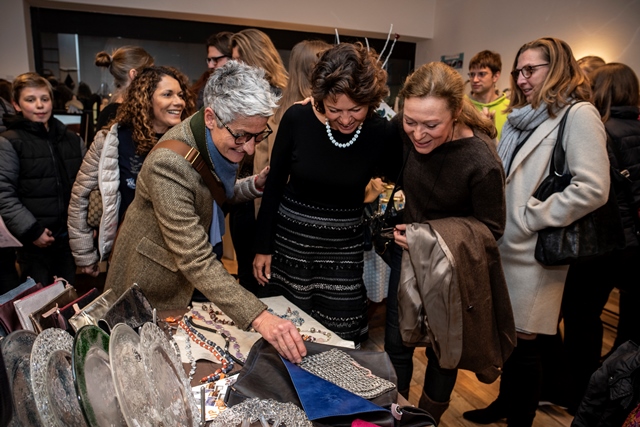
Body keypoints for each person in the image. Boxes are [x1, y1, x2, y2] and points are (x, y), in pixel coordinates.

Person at [104, 61, 307, 363]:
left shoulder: (216, 136)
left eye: (258, 136)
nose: (249, 149)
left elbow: (208, 194)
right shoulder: (169, 164)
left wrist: (252, 185)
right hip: (151, 286)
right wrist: (260, 317)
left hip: (187, 278)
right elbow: (195, 257)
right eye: (242, 136)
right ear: (211, 117)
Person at [463, 37, 610, 427]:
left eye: (531, 70)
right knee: (508, 340)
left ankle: (520, 419)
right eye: (518, 71)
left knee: (525, 343)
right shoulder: (520, 117)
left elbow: (593, 188)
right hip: (503, 244)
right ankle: (504, 404)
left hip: (535, 251)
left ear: (556, 68)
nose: (522, 78)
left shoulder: (578, 115)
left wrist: (531, 215)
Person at [384, 61, 511, 423]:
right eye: (411, 121)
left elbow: (492, 228)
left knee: (444, 352)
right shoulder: (406, 126)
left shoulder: (481, 160)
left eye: (431, 125)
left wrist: (427, 237)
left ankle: (428, 419)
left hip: (452, 266)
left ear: (455, 113)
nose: (418, 134)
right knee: (396, 345)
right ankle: (396, 417)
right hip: (407, 256)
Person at [253, 42, 400, 346]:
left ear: (370, 102)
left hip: (343, 251)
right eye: (335, 110)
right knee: (289, 332)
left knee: (341, 333)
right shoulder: (297, 119)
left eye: (355, 110)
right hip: (291, 246)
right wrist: (263, 247)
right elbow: (274, 186)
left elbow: (400, 175)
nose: (345, 119)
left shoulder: (379, 131)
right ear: (321, 99)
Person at [560, 62, 640, 413]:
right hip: (636, 243)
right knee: (630, 326)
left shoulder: (601, 132)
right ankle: (621, 392)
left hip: (605, 244)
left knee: (582, 319)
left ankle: (580, 392)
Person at [68, 66, 195, 277]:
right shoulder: (111, 140)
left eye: (180, 95)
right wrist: (84, 255)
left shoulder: (188, 141)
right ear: (146, 99)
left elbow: (210, 190)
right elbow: (80, 196)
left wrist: (251, 185)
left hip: (176, 257)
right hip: (127, 254)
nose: (178, 102)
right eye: (167, 94)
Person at [0, 72, 85, 287]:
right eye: (30, 99)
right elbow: (4, 193)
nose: (39, 105)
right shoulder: (9, 142)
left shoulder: (71, 139)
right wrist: (32, 230)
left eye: (44, 99)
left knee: (68, 295)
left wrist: (86, 224)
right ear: (16, 105)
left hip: (67, 238)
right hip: (34, 241)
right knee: (36, 299)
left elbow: (85, 186)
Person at [228, 28, 289, 296]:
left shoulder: (283, 101)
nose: (233, 67)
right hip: (243, 199)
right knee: (246, 279)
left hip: (269, 207)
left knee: (267, 284)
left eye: (238, 60)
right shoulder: (238, 98)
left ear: (256, 59)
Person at [95, 45, 154, 130]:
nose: (154, 78)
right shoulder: (115, 114)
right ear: (134, 74)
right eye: (150, 73)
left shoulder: (109, 112)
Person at [467, 50, 510, 141]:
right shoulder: (461, 104)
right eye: (472, 74)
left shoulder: (509, 108)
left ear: (495, 76)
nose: (475, 80)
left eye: (481, 74)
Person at [192, 31, 233, 110]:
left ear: (232, 58)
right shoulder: (205, 91)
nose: (210, 65)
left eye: (216, 59)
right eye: (209, 60)